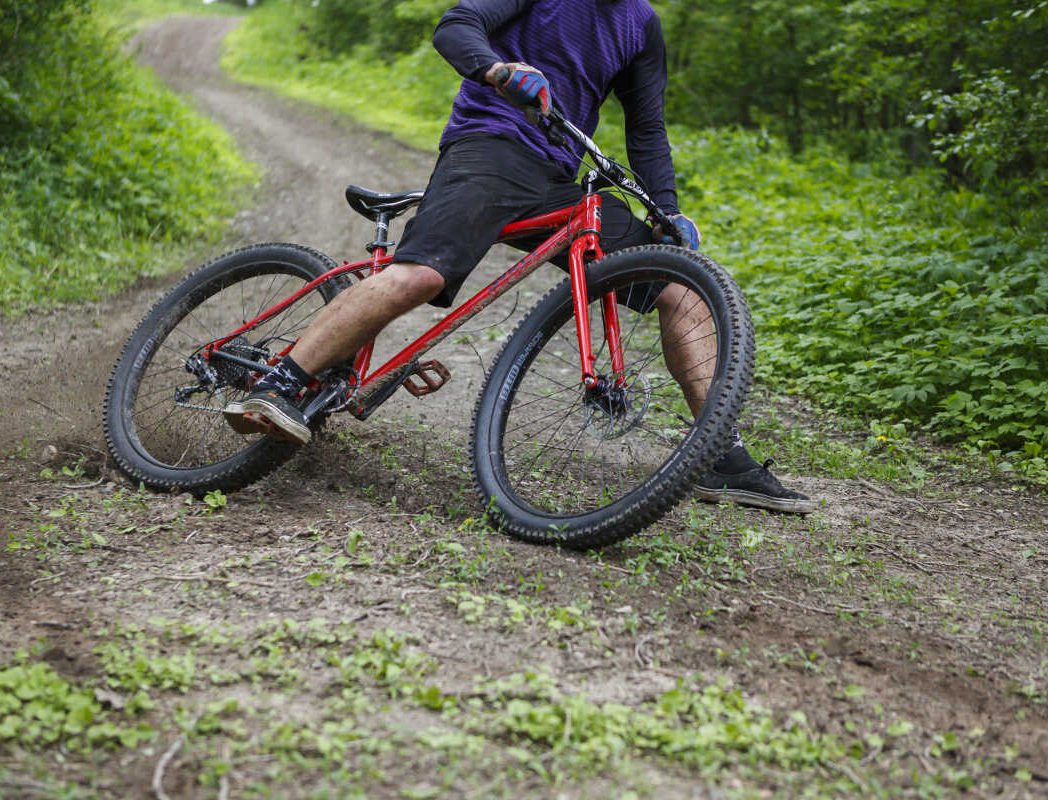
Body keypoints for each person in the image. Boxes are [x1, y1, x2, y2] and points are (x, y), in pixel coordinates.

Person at [224, 0, 819, 514]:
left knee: (679, 289)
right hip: (488, 148)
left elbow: (648, 128)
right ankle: (282, 379)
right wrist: (497, 69)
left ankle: (720, 454)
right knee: (421, 276)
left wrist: (667, 210)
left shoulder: (641, 24)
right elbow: (458, 24)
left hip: (561, 178)